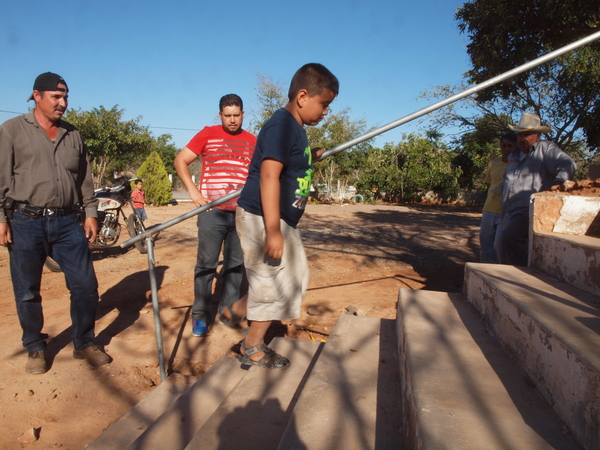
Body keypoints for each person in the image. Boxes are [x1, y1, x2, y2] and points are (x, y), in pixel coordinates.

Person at [0, 72, 111, 374]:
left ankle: (84, 342)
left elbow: (84, 178)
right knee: (26, 290)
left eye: (66, 97)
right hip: (25, 220)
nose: (63, 103)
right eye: (56, 97)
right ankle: (35, 348)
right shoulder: (11, 130)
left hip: (66, 222)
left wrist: (90, 213)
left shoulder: (73, 134)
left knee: (86, 285)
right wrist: (1, 219)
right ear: (37, 96)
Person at [232, 63, 338, 369]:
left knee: (294, 277)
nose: (326, 111)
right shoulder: (282, 125)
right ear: (303, 96)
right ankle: (251, 346)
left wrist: (310, 154)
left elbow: (291, 162)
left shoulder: (296, 130)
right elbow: (268, 176)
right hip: (263, 217)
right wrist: (273, 230)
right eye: (325, 104)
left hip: (279, 219)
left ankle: (239, 309)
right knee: (271, 283)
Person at [174, 94, 256, 337]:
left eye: (236, 115)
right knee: (207, 265)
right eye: (227, 115)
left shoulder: (253, 141)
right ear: (220, 115)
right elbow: (181, 160)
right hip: (212, 213)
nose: (232, 120)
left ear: (243, 114)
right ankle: (200, 315)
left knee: (235, 266)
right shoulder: (207, 134)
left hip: (241, 214)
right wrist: (194, 193)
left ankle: (228, 313)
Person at [501, 113, 576, 266]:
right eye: (520, 135)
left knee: (509, 238)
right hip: (510, 213)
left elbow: (568, 165)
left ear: (538, 135)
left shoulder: (545, 149)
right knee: (504, 245)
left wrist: (555, 189)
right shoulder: (513, 157)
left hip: (530, 211)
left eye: (527, 134)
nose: (522, 139)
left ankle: (523, 276)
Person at [479, 133, 516, 263]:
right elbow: (489, 184)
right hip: (489, 209)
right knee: (485, 245)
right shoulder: (493, 164)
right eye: (504, 146)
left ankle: (499, 272)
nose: (507, 149)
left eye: (510, 146)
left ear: (515, 147)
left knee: (499, 246)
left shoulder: (519, 164)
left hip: (506, 212)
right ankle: (484, 273)